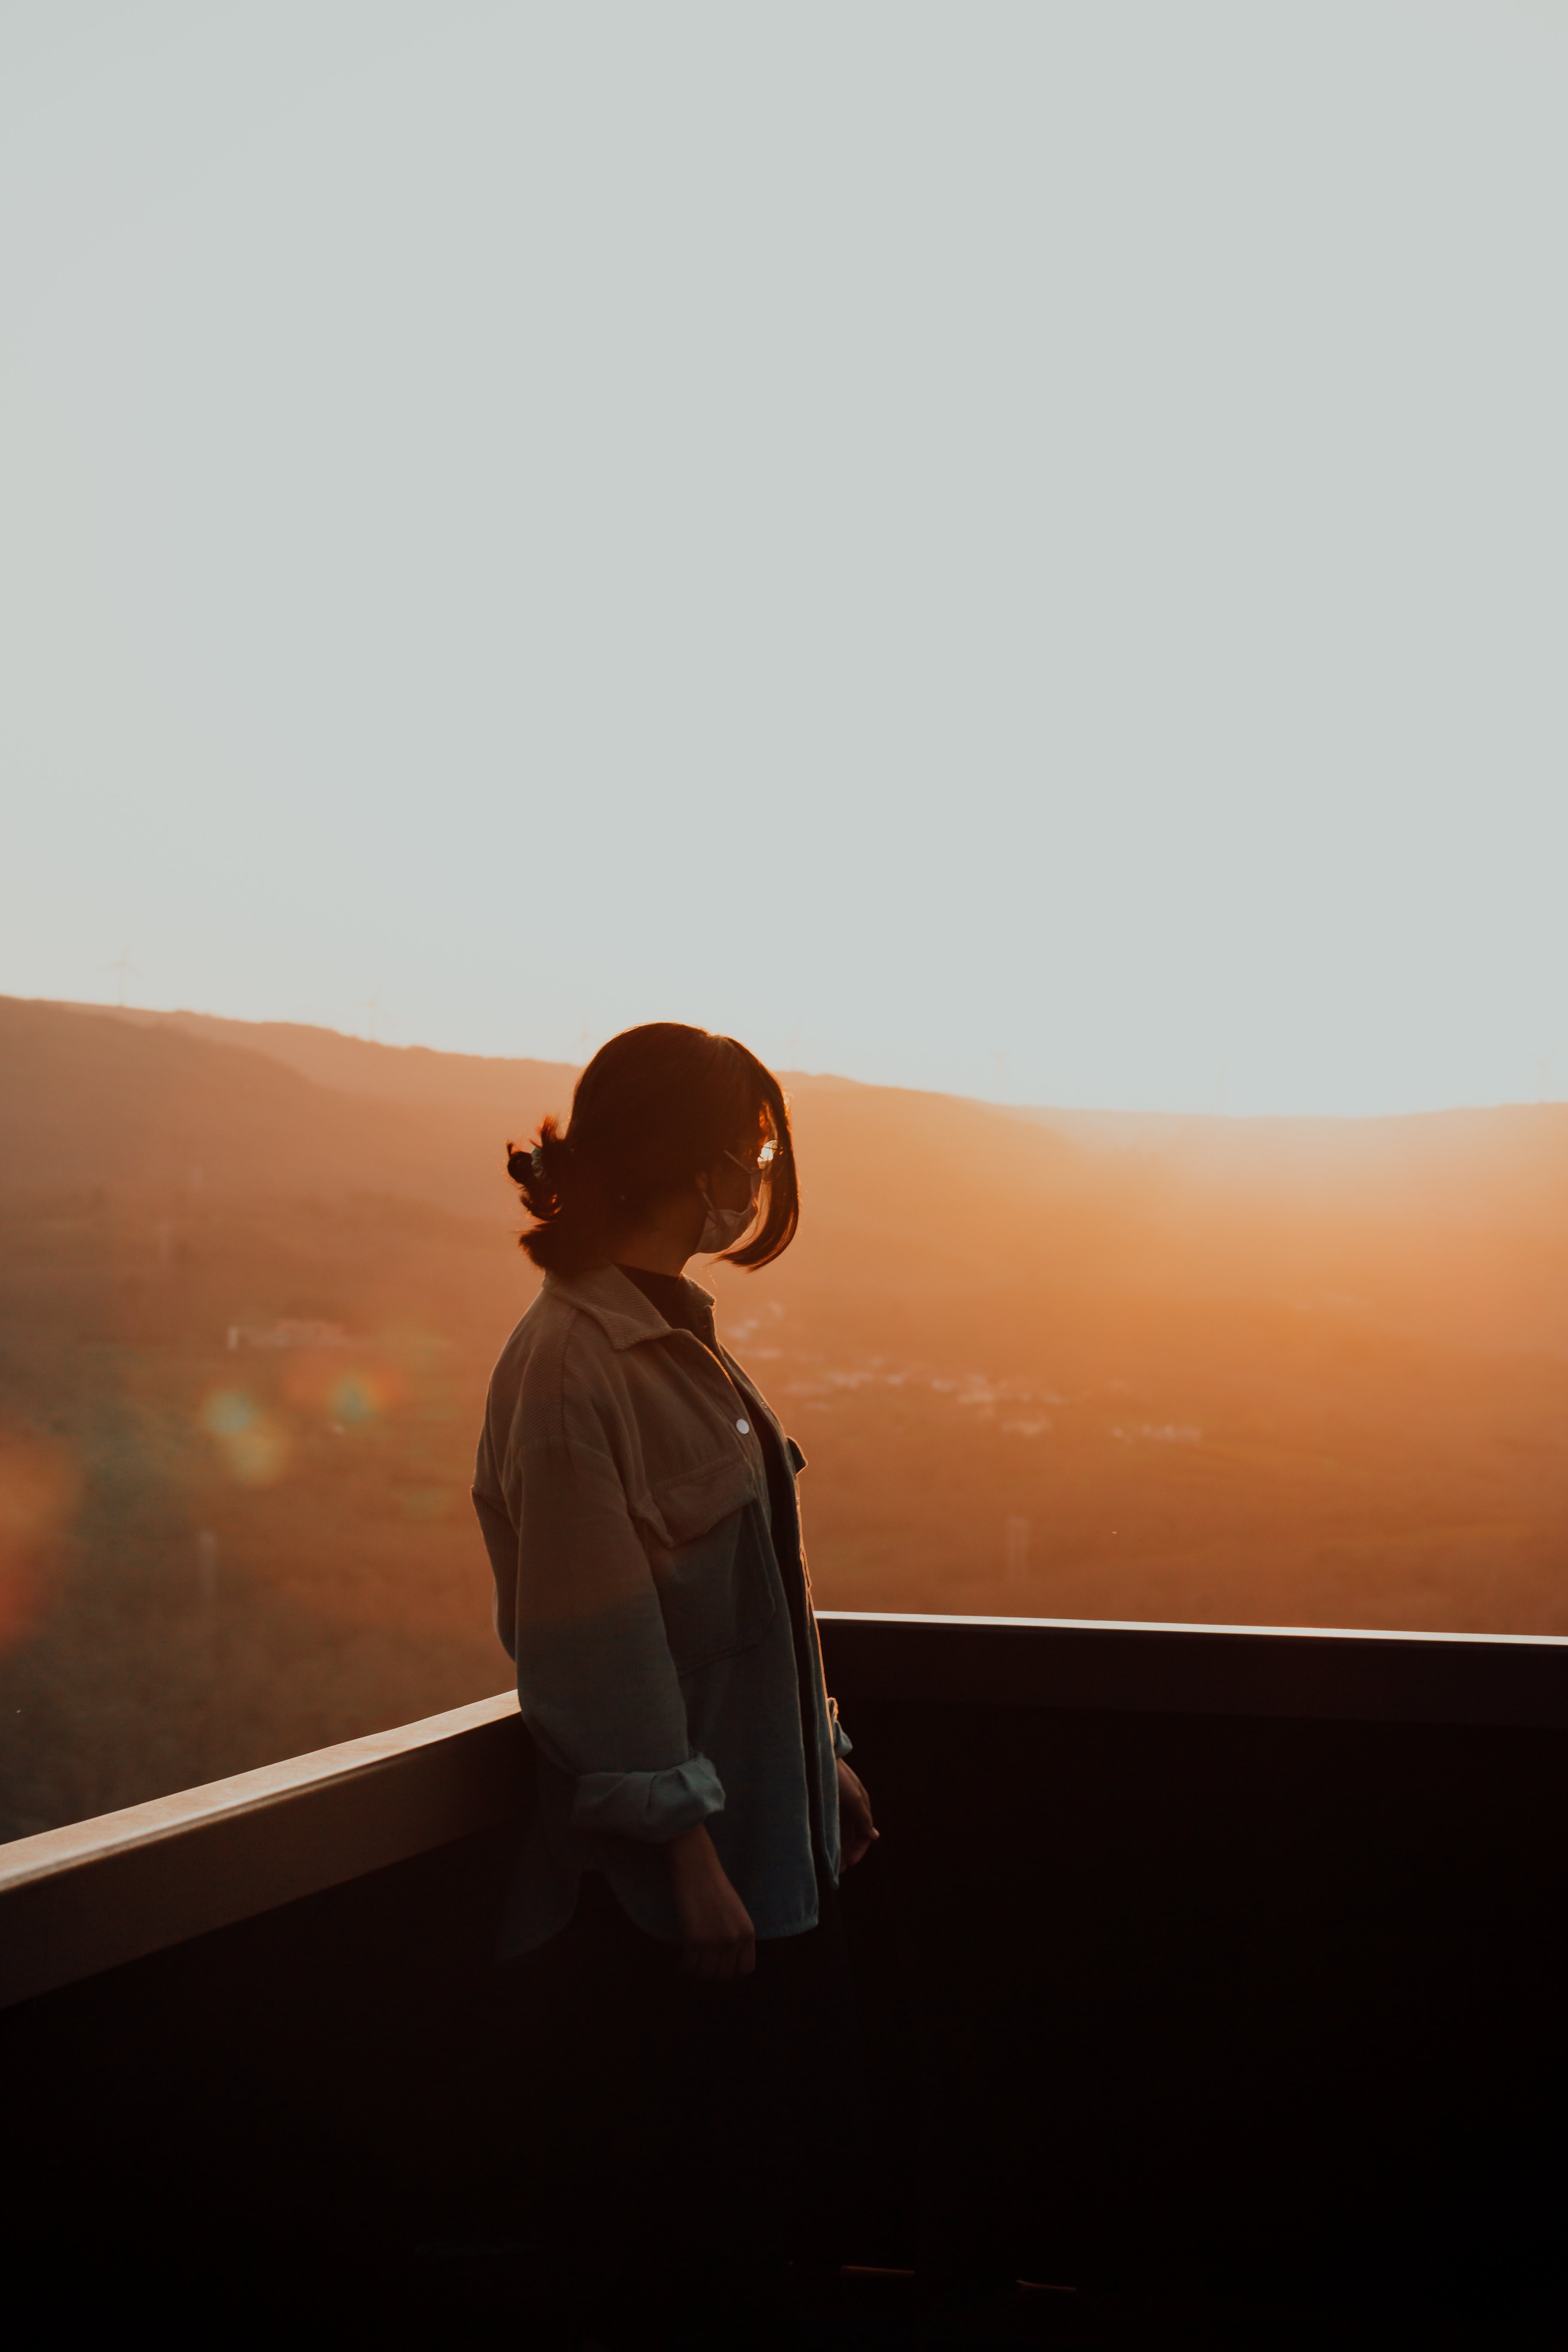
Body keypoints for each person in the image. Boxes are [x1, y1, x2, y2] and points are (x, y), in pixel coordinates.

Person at [471, 1022, 877, 2349]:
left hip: (762, 1867)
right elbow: (597, 1643)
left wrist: (824, 1759)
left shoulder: (682, 1346)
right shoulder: (573, 1368)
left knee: (762, 2230)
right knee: (691, 2258)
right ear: (689, 1168)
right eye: (744, 1157)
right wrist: (687, 1855)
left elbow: (752, 1607)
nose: (755, 1185)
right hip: (673, 1920)